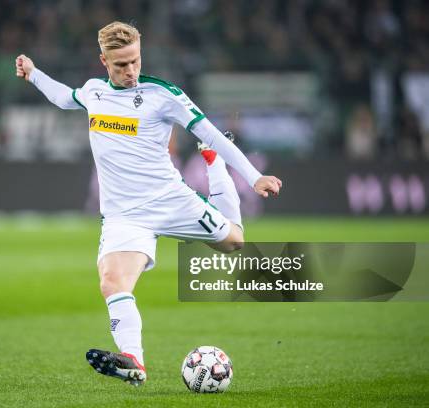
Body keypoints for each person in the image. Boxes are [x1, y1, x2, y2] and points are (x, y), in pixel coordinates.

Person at [15, 21, 282, 386]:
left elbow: (211, 132)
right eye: (121, 64)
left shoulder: (162, 94)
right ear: (103, 62)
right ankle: (134, 362)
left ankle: (211, 165)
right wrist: (33, 75)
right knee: (111, 282)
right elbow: (65, 97)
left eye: (135, 61)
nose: (131, 71)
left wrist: (254, 178)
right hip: (124, 215)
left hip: (169, 200)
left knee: (234, 242)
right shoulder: (94, 92)